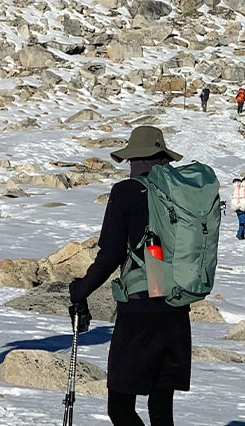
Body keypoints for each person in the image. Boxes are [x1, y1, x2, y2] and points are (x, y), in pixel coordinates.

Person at [69, 126, 190, 426]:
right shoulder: (183, 195)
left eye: (132, 160)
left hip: (140, 313)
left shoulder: (125, 193)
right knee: (161, 412)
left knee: (120, 407)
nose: (130, 167)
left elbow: (110, 255)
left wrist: (80, 290)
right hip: (176, 312)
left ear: (143, 159)